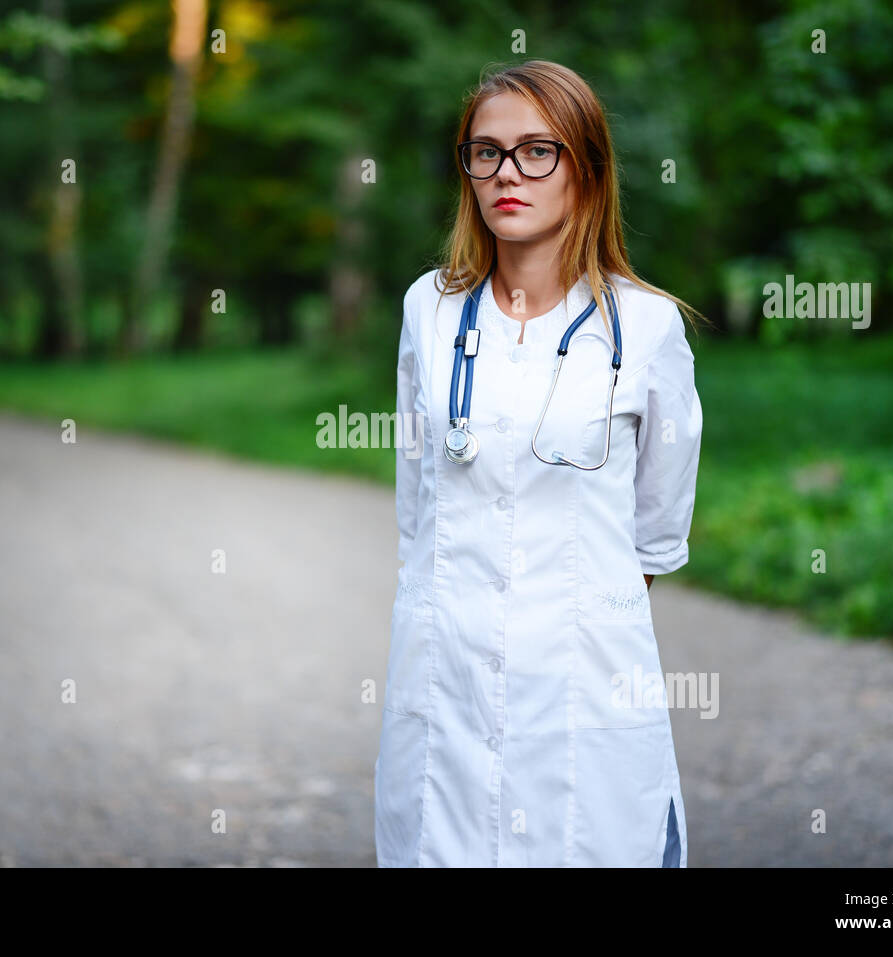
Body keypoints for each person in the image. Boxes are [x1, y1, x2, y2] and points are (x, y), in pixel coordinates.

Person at [375, 59, 705, 867]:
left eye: (536, 151)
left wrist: (558, 619)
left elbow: (654, 541)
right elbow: (419, 509)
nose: (506, 174)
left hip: (583, 695)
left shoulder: (649, 329)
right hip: (444, 686)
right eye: (484, 152)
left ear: (586, 169)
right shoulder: (430, 308)